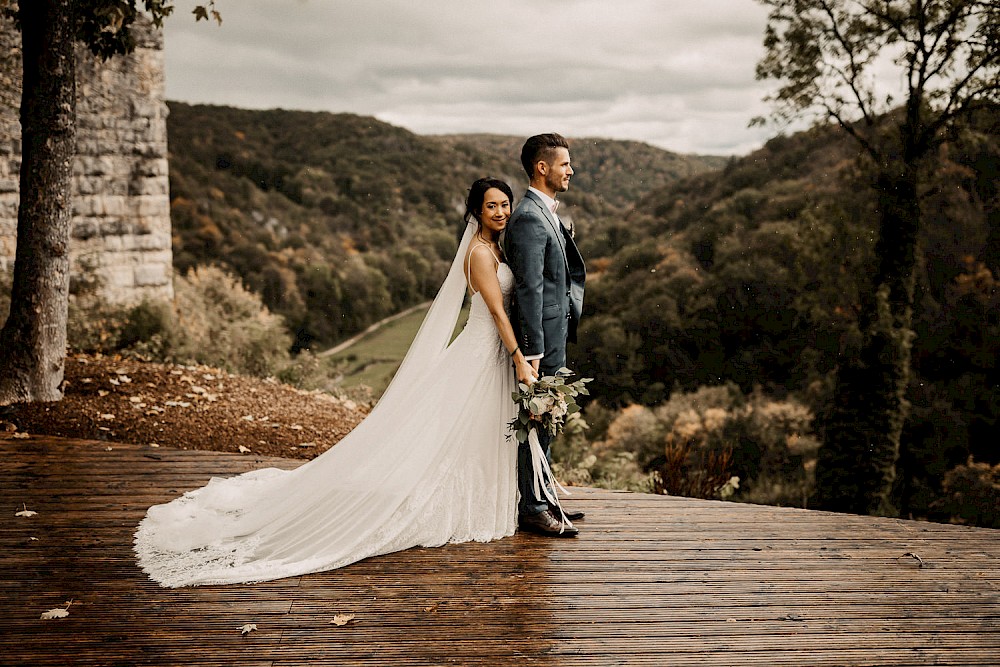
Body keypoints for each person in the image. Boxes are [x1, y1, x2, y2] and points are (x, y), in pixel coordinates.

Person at [134, 178, 536, 587]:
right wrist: (519, 357)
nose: (501, 212)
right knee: (459, 433)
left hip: (492, 355)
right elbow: (497, 314)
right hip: (481, 352)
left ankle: (469, 500)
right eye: (492, 207)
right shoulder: (480, 255)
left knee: (475, 433)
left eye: (505, 204)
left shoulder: (496, 248)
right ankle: (448, 504)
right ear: (476, 211)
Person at [503, 133, 587, 538]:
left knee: (549, 415)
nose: (570, 169)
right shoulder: (528, 219)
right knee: (538, 415)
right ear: (542, 167)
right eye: (564, 163)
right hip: (541, 342)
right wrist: (533, 351)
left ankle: (545, 494)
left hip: (555, 333)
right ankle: (533, 508)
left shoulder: (546, 212)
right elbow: (529, 289)